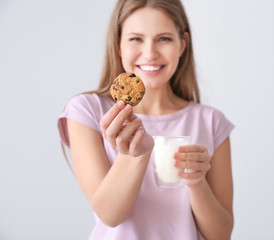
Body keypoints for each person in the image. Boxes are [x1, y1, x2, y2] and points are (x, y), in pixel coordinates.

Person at [57, 0, 234, 239]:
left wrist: (196, 181)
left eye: (164, 39)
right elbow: (110, 215)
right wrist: (134, 155)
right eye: (136, 39)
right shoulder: (87, 112)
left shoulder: (211, 122)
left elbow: (220, 235)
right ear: (118, 44)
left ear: (182, 45)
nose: (150, 53)